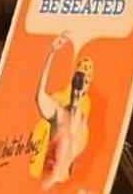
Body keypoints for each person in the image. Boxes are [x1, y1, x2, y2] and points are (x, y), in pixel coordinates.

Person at [34, 32, 93, 190]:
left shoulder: (83, 126)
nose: (77, 90)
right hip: (46, 186)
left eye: (82, 84)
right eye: (76, 82)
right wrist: (51, 52)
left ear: (86, 89)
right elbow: (39, 95)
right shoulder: (59, 113)